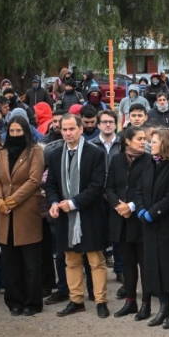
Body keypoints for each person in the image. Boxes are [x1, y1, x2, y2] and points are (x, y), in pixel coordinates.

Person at [44, 113, 109, 318]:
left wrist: (73, 203)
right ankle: (76, 300)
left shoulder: (95, 153)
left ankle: (100, 300)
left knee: (96, 261)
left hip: (89, 215)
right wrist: (54, 203)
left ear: (81, 129)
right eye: (64, 129)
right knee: (70, 261)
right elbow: (51, 184)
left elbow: (97, 186)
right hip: (65, 217)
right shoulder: (54, 154)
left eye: (72, 129)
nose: (68, 133)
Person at [0, 116, 44, 317]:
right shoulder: (2, 153)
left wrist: (11, 201)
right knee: (10, 262)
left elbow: (34, 180)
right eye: (11, 131)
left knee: (30, 263)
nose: (14, 135)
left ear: (26, 132)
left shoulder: (35, 151)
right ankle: (14, 301)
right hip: (4, 214)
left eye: (18, 131)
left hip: (26, 211)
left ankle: (32, 302)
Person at [135, 128, 169, 329]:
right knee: (153, 267)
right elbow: (139, 189)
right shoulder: (151, 163)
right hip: (149, 227)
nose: (151, 144)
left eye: (155, 141)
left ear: (165, 143)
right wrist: (141, 209)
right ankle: (163, 306)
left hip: (167, 226)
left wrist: (153, 212)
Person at [104, 126, 152, 320]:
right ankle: (130, 301)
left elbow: (147, 190)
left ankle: (146, 304)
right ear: (127, 141)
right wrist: (117, 205)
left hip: (139, 220)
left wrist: (131, 206)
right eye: (139, 138)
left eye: (144, 138)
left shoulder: (149, 161)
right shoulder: (116, 160)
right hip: (121, 220)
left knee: (144, 264)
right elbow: (109, 187)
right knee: (128, 263)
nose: (144, 141)